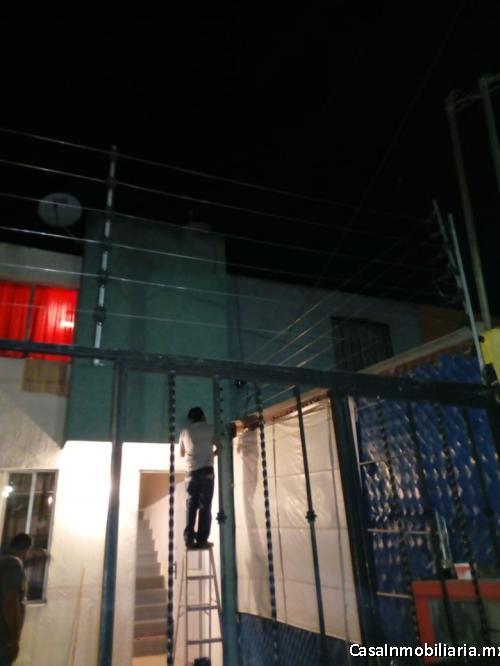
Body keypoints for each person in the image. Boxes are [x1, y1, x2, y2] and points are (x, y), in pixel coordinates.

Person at [180, 407, 217, 549]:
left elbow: (182, 453)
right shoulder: (210, 428)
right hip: (206, 471)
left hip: (190, 473)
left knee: (191, 506)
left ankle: (189, 539)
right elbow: (220, 447)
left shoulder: (184, 431)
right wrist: (212, 454)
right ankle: (202, 540)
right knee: (205, 507)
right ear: (202, 416)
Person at [0, 533, 32, 665]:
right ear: (26, 550)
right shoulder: (14, 564)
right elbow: (10, 601)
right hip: (3, 635)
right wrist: (14, 638)